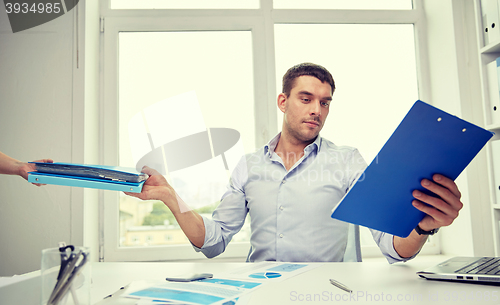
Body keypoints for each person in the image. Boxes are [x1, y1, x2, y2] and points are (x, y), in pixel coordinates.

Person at [126, 63, 463, 263]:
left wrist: (424, 226)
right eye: (306, 99)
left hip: (324, 295)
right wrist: (172, 196)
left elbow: (391, 247)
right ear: (283, 102)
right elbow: (213, 241)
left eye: (325, 102)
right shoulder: (248, 166)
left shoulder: (347, 161)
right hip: (260, 293)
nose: (317, 109)